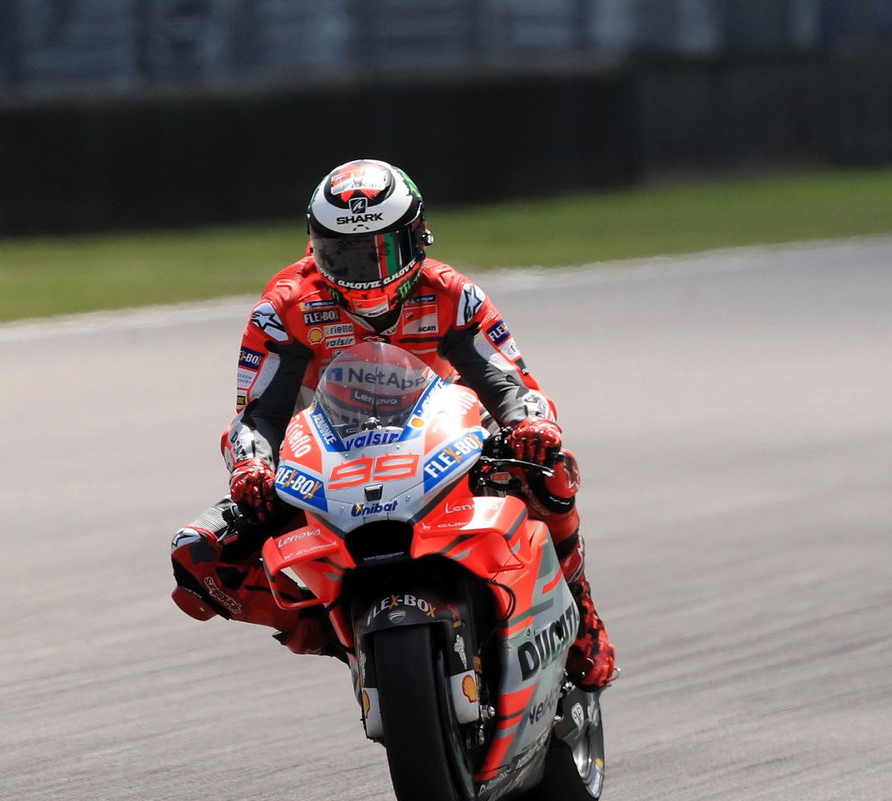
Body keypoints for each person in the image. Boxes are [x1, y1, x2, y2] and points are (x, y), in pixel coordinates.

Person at [169, 159, 616, 689]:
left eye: (383, 250)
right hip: (329, 459)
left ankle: (582, 615)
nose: (364, 270)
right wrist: (251, 468)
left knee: (551, 470)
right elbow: (258, 413)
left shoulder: (452, 293)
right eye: (345, 252)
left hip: (450, 446)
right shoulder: (283, 306)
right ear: (314, 244)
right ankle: (323, 629)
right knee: (196, 554)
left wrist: (531, 427)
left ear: (418, 237)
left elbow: (509, 383)